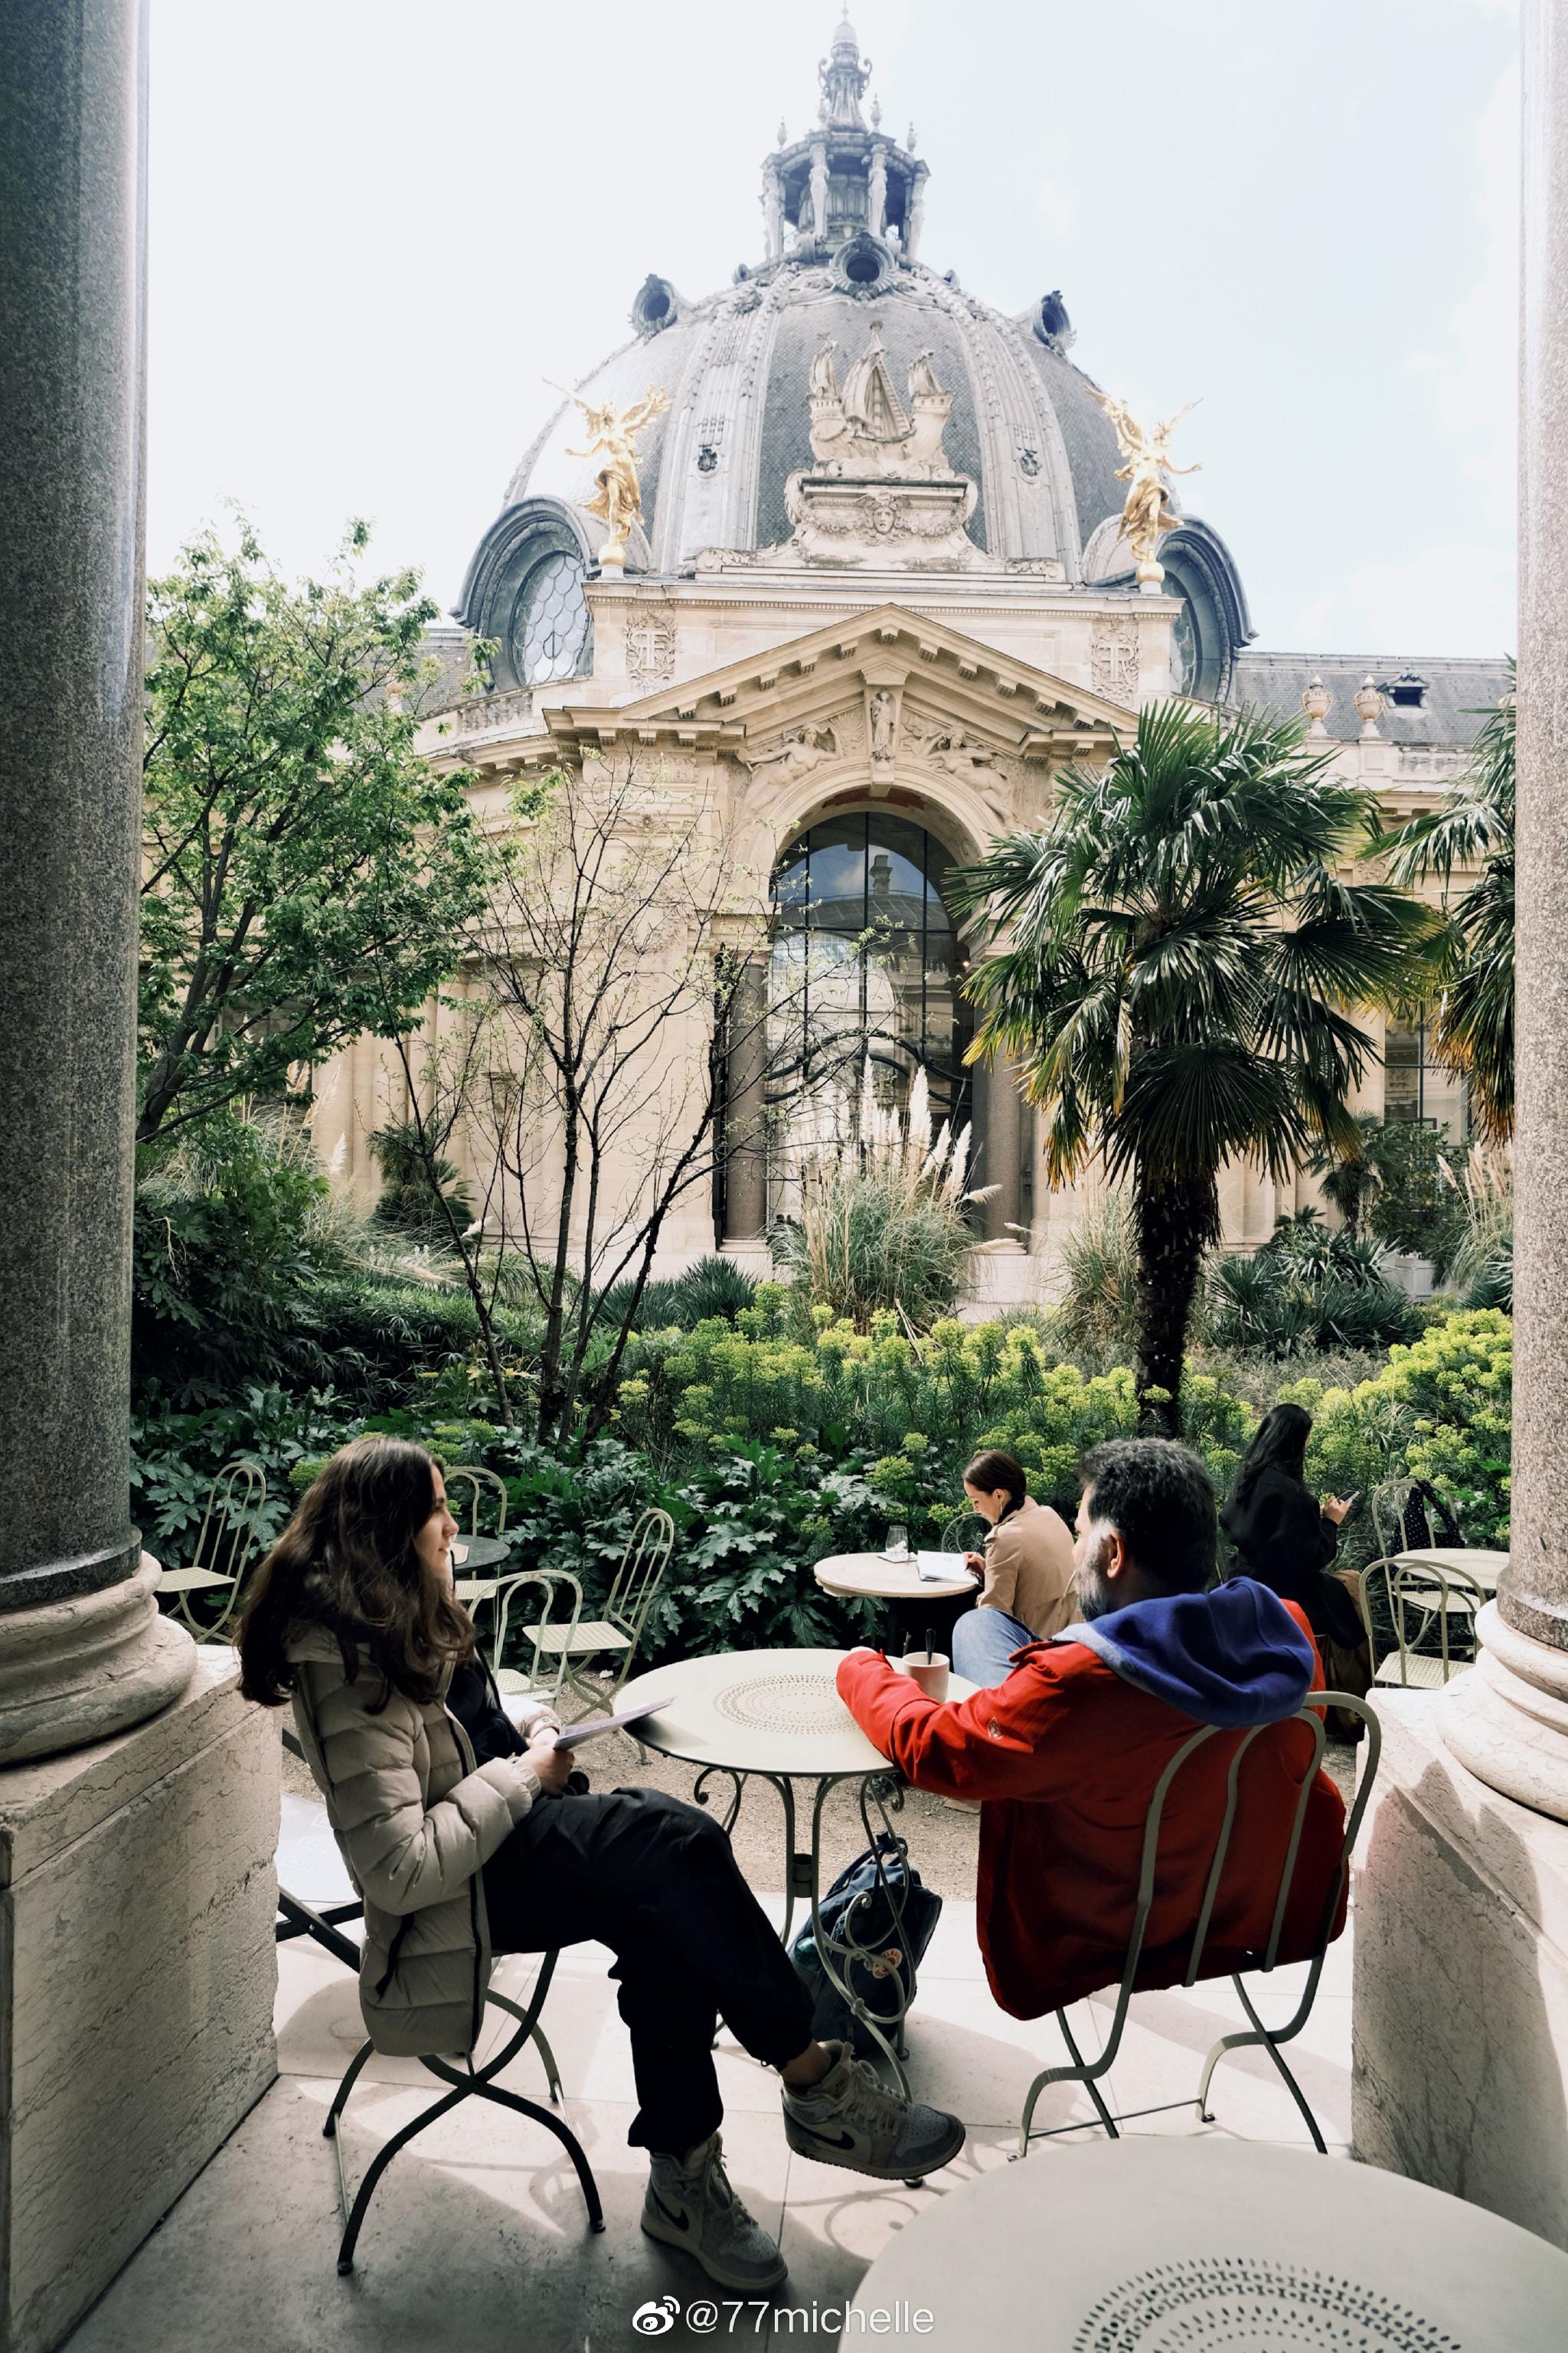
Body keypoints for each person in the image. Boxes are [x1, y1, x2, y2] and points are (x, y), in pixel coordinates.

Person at [239, 1438, 963, 2295]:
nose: (453, 1520)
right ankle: (814, 2079)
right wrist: (521, 1776)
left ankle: (685, 2186)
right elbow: (397, 1867)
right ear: (388, 1529)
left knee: (669, 1915)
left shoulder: (396, 1610)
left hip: (507, 1840)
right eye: (438, 1506)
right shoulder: (344, 1664)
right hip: (464, 1898)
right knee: (676, 1844)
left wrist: (527, 1726)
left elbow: (450, 1733)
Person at [837, 1440, 1348, 2026]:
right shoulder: (1286, 1630)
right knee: (987, 1630)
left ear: (1112, 1553)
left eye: (1080, 1534)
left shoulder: (1074, 1686)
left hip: (1100, 1936)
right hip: (1252, 1913)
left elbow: (933, 1748)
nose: (1074, 1549)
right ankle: (1005, 1705)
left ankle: (1003, 1709)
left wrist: (861, 1667)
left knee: (982, 1635)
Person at [1220, 1404, 1364, 1652]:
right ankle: (1352, 1676)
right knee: (1353, 1584)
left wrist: (1309, 1516)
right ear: (1298, 1442)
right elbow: (1315, 1558)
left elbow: (1254, 1525)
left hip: (1242, 1579)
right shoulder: (1295, 1495)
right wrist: (1331, 1521)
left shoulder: (1249, 1477)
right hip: (1284, 1592)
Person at [949, 1449, 1077, 1690]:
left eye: (976, 1501)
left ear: (998, 1495)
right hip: (1068, 1638)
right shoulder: (1048, 1515)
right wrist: (990, 1569)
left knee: (968, 1622)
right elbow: (1035, 1580)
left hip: (1035, 1647)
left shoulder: (1004, 1538)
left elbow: (991, 1618)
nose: (976, 1509)